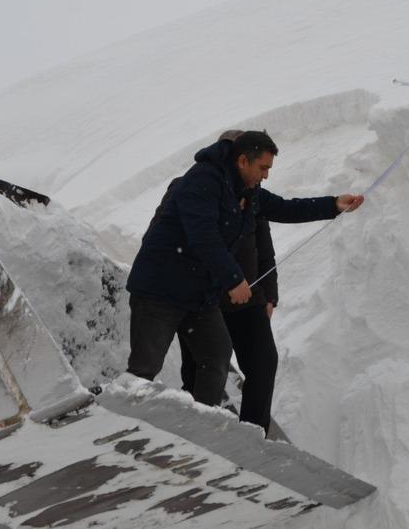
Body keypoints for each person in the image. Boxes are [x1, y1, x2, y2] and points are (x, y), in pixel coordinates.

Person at [125, 130, 363, 408]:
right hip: (160, 290)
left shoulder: (246, 190)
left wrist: (333, 205)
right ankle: (121, 427)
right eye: (263, 168)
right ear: (242, 161)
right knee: (144, 368)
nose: (266, 175)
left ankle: (202, 425)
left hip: (198, 295)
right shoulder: (202, 181)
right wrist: (234, 279)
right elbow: (203, 236)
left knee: (215, 355)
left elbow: (284, 208)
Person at [178, 131, 281, 434]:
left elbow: (264, 248)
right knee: (200, 370)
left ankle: (254, 434)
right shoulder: (193, 188)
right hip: (204, 300)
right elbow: (187, 241)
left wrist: (269, 294)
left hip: (249, 298)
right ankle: (198, 433)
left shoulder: (252, 195)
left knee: (263, 365)